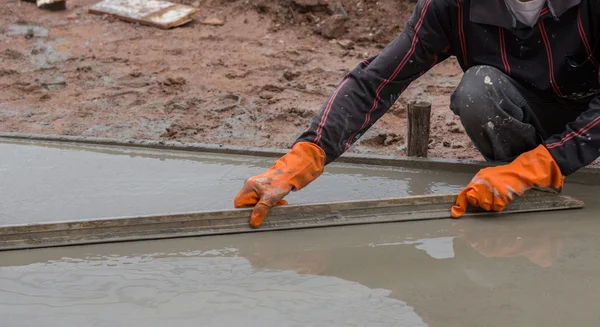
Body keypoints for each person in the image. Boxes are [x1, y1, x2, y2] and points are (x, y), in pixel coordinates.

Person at [234, 0, 600, 227]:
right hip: (526, 112)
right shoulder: (453, 5)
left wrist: (540, 164)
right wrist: (305, 155)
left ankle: (533, 171)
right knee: (477, 91)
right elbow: (376, 82)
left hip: (591, 117)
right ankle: (519, 184)